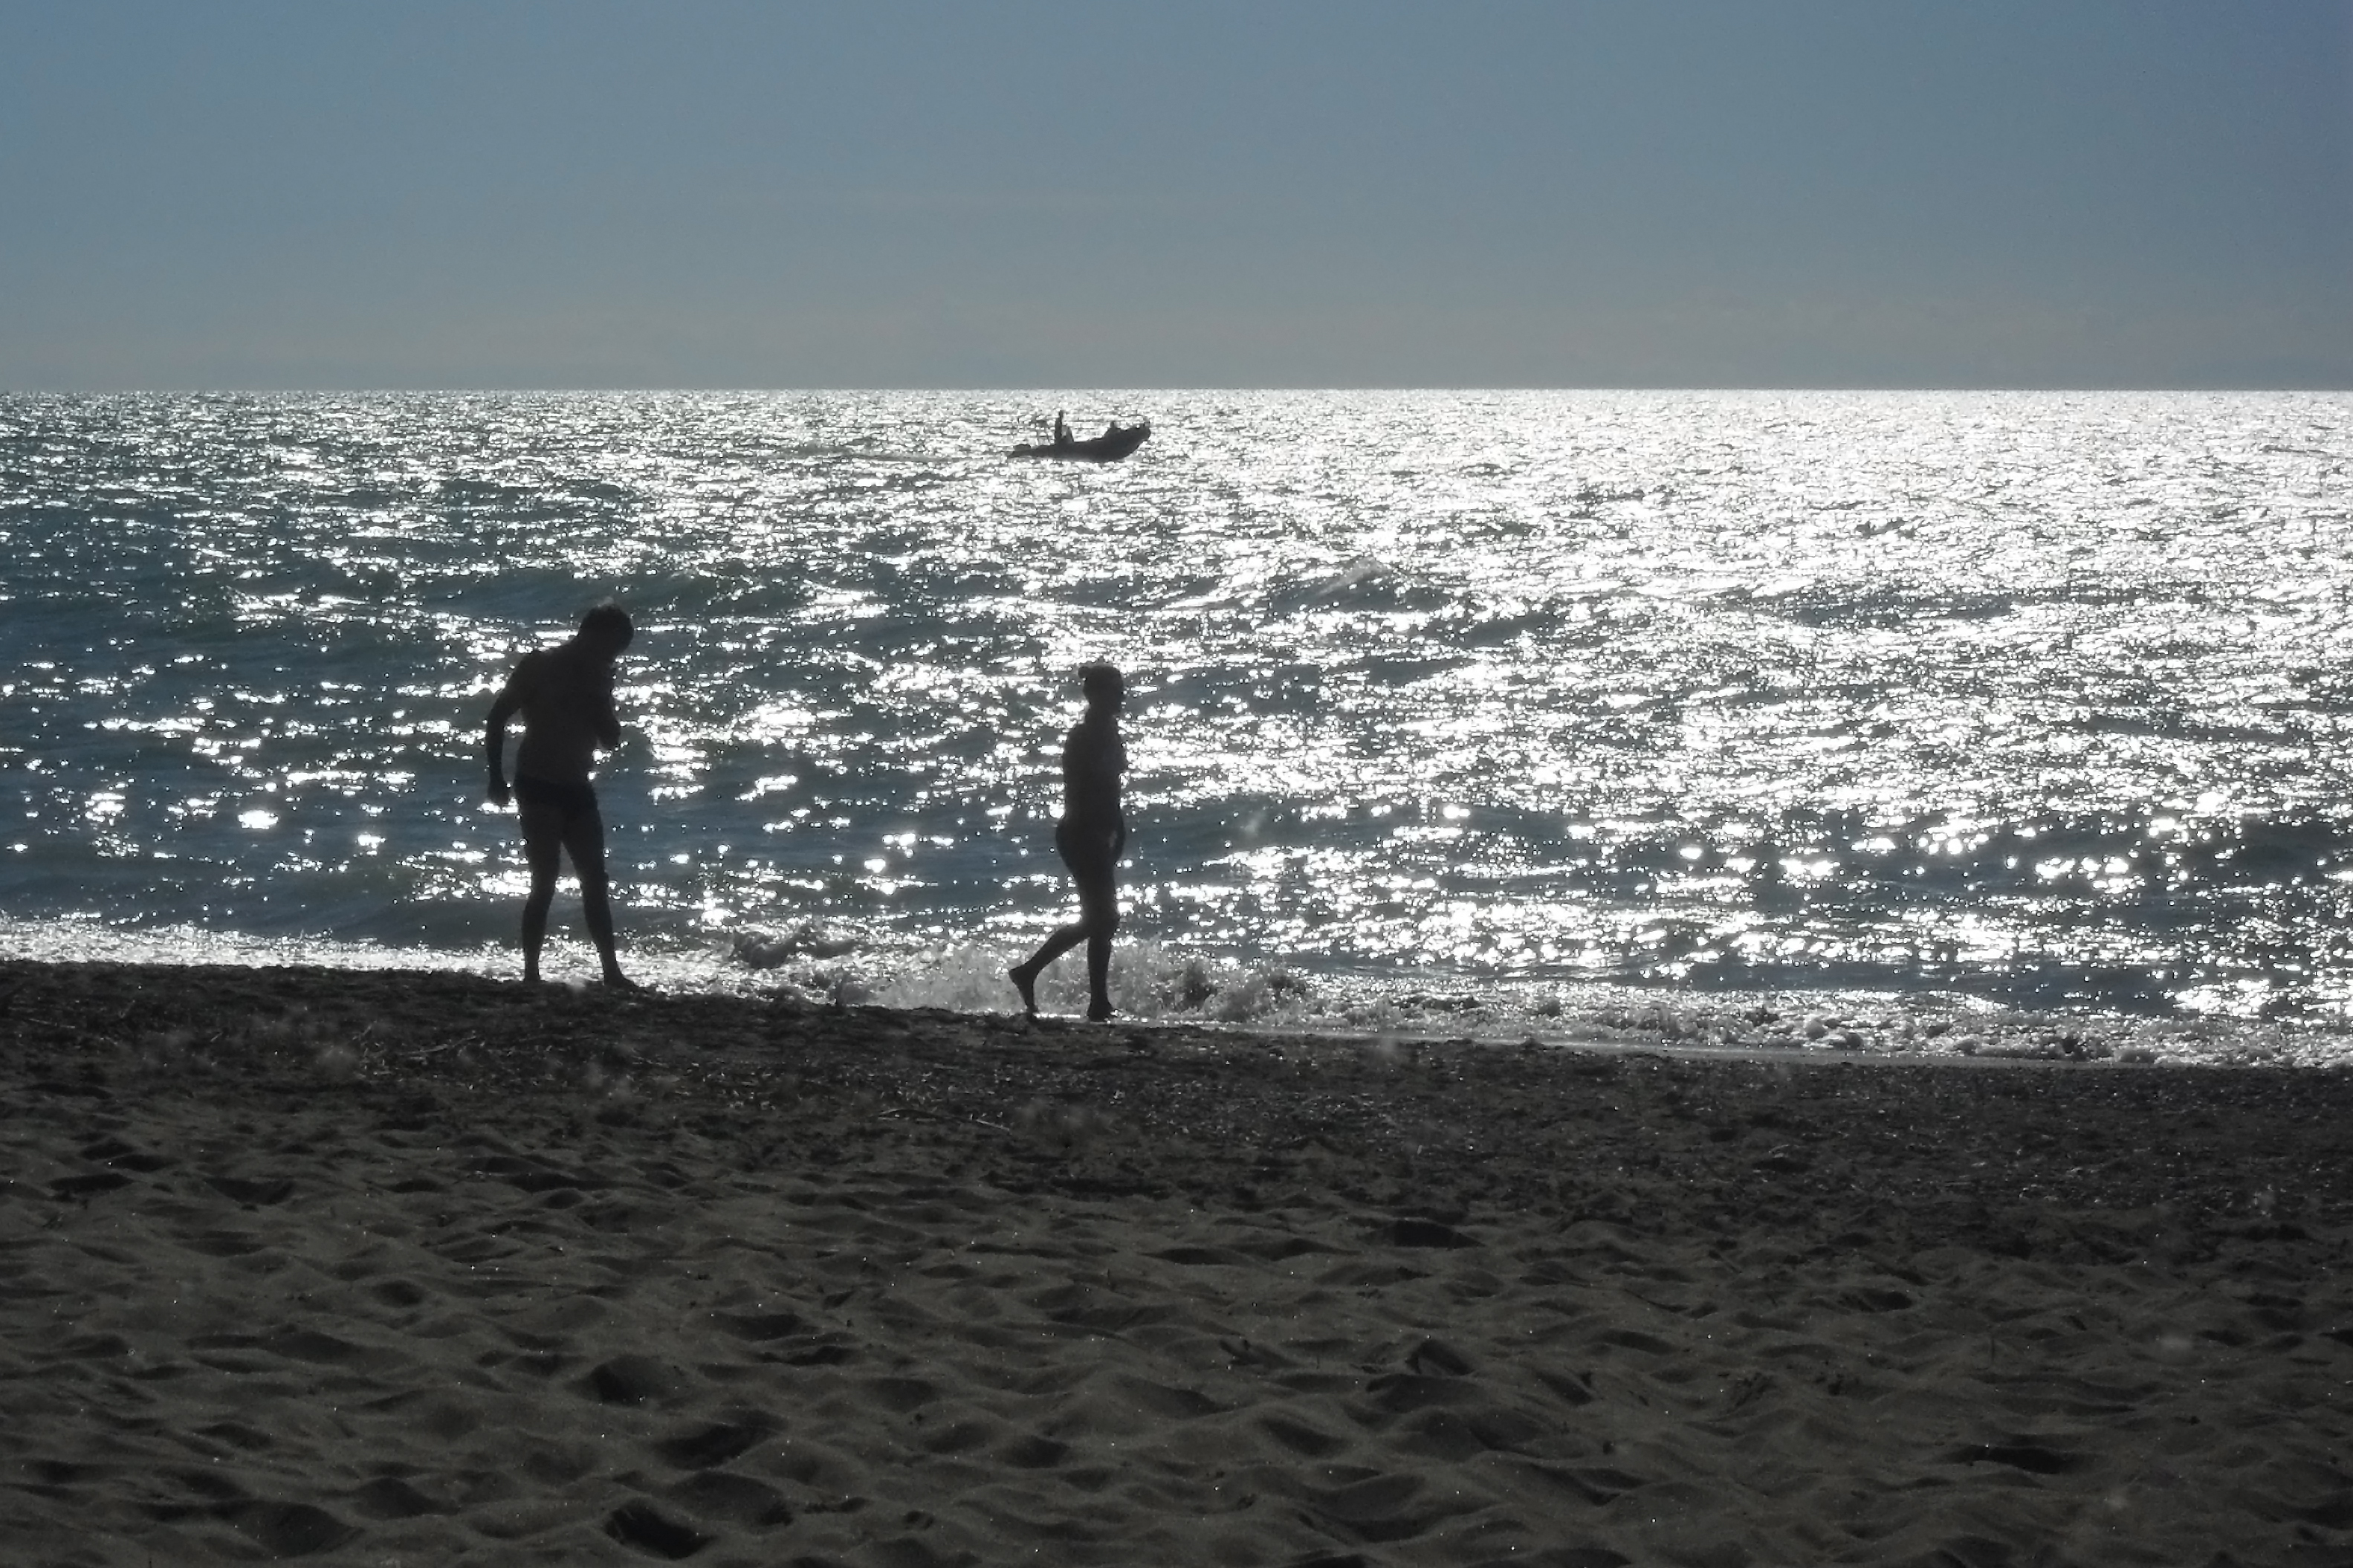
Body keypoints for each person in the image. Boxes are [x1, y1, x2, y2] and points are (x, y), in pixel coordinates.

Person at [485, 603, 638, 989]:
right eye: (612, 646)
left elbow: (609, 739)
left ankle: (611, 972)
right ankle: (531, 974)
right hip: (537, 782)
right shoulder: (541, 664)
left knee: (595, 879)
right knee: (545, 880)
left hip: (577, 785)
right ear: (591, 634)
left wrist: (600, 701)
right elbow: (498, 715)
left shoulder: (600, 677)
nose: (614, 656)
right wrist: (495, 778)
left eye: (618, 651)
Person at [1009, 663, 1128, 1021]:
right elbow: (1080, 791)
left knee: (1101, 919)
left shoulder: (1110, 732)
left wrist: (1118, 828)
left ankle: (1093, 1000)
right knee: (1103, 918)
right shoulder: (1083, 737)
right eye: (1115, 690)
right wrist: (1096, 831)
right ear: (1096, 695)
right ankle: (1034, 973)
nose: (1122, 696)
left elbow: (1113, 789)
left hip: (1100, 831)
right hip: (1081, 832)